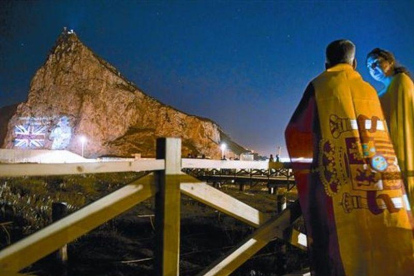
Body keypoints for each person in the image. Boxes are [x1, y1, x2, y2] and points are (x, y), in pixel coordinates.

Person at [285, 39, 414, 276]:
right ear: (354, 63)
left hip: (343, 184)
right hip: (376, 179)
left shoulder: (318, 85)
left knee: (345, 240)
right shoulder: (369, 91)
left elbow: (296, 130)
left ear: (326, 64)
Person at [366, 48, 414, 210]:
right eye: (368, 67)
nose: (372, 69)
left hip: (400, 150)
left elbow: (402, 122)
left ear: (390, 61)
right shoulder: (387, 89)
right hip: (391, 151)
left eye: (376, 63)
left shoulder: (401, 82)